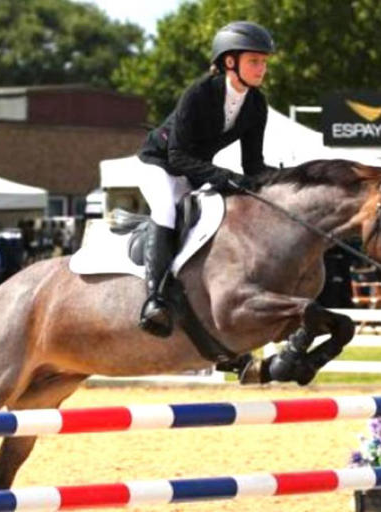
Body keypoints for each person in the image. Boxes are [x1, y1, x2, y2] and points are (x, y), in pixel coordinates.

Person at [136, 21, 277, 337]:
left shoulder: (256, 104)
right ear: (230, 62)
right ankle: (154, 300)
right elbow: (177, 156)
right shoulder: (199, 93)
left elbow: (252, 163)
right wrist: (224, 176)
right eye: (254, 61)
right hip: (159, 163)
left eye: (264, 62)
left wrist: (279, 181)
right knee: (167, 211)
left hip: (193, 171)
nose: (261, 68)